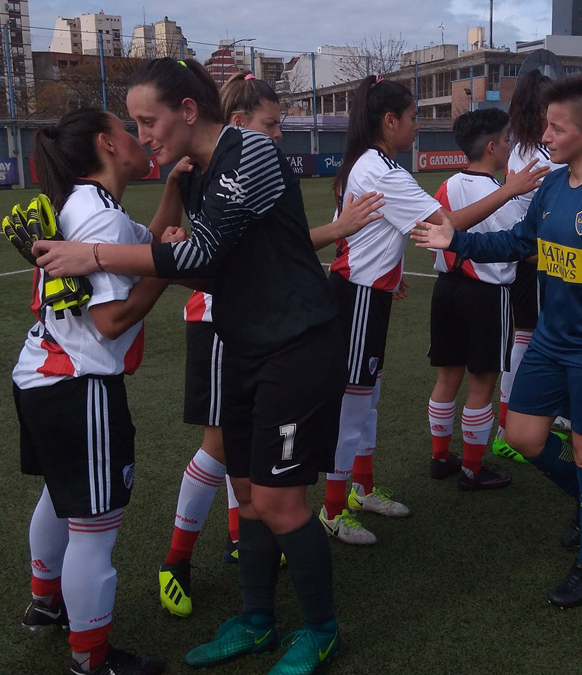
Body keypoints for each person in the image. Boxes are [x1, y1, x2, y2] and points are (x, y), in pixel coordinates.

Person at [31, 57, 347, 675]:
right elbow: (208, 266)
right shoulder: (199, 170)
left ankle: (321, 630)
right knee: (250, 495)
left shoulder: (249, 152)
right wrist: (156, 255)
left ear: (189, 111)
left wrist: (92, 253)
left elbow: (199, 252)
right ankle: (257, 620)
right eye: (136, 123)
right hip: (246, 346)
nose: (143, 134)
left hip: (299, 346)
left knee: (282, 503)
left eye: (149, 121)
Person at [411, 74, 582, 609]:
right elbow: (519, 241)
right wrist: (459, 240)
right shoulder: (551, 184)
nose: (545, 134)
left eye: (556, 127)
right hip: (550, 340)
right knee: (521, 435)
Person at [157, 70, 384, 617]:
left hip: (264, 329)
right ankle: (180, 562)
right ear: (238, 124)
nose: (279, 134)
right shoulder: (215, 166)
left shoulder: (241, 162)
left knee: (254, 478)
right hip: (222, 325)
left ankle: (259, 586)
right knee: (222, 454)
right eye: (271, 123)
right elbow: (218, 256)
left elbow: (264, 252)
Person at [330, 75, 546, 545]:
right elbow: (443, 226)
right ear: (390, 121)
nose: (416, 126)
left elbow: (360, 233)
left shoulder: (369, 163)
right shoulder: (381, 169)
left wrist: (389, 271)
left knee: (367, 401)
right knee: (353, 407)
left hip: (372, 291)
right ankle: (332, 508)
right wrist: (511, 191)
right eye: (411, 117)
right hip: (359, 298)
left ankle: (361, 489)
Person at [13, 108, 175, 675]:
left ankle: (45, 602)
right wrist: (165, 272)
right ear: (108, 144)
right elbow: (111, 321)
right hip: (78, 384)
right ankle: (91, 660)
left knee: (61, 498)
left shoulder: (88, 204)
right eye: (129, 130)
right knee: (95, 529)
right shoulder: (98, 217)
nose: (140, 138)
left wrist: (174, 190)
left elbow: (147, 241)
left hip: (42, 374)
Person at [427, 108, 521, 492]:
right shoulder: (502, 195)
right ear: (493, 146)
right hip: (486, 294)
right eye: (508, 139)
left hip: (445, 290)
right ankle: (472, 467)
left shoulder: (446, 186)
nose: (511, 146)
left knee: (447, 377)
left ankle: (439, 457)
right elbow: (518, 247)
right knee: (481, 384)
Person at [494, 70, 563, 464]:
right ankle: (507, 427)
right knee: (527, 338)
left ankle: (529, 417)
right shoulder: (537, 154)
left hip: (529, 255)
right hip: (532, 257)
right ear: (541, 108)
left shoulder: (524, 146)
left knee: (532, 336)